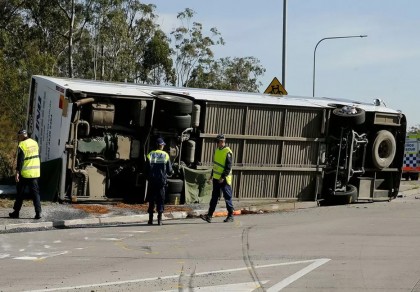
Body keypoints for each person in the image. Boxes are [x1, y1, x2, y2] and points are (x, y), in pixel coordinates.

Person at [200, 134, 235, 223]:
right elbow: (216, 165)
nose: (217, 143)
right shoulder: (217, 150)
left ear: (222, 141)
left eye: (218, 141)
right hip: (216, 178)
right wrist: (211, 176)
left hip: (224, 180)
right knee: (214, 198)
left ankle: (230, 215)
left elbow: (228, 167)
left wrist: (223, 177)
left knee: (227, 197)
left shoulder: (228, 152)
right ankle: (209, 216)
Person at [9, 129, 42, 219]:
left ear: (22, 135)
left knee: (20, 194)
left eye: (18, 136)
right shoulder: (35, 143)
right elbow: (38, 156)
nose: (18, 138)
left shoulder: (22, 145)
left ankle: (16, 212)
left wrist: (17, 172)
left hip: (25, 173)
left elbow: (20, 160)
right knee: (36, 194)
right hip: (35, 173)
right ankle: (38, 213)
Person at [145, 137, 173, 225]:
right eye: (162, 145)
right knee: (160, 200)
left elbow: (146, 169)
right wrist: (171, 172)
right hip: (161, 181)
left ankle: (150, 220)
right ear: (161, 146)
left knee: (151, 200)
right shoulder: (165, 155)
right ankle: (159, 220)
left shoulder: (150, 154)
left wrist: (148, 177)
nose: (163, 146)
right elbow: (169, 170)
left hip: (152, 181)